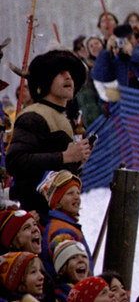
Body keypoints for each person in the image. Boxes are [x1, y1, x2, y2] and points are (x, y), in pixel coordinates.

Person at [7, 51, 91, 217]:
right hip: (39, 215)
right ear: (45, 81)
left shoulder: (62, 117)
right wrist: (65, 157)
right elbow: (15, 162)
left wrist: (77, 161)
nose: (68, 77)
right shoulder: (33, 116)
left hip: (60, 215)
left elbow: (55, 172)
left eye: (70, 74)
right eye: (60, 73)